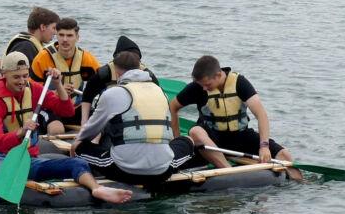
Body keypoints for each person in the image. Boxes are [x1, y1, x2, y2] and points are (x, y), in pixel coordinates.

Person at [0, 52, 132, 205]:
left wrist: (58, 84)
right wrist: (21, 131)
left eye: (25, 76)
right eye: (16, 77)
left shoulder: (33, 89)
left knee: (78, 163)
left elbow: (67, 111)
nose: (22, 81)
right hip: (1, 158)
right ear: (4, 74)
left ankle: (96, 189)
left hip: (29, 158)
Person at [72, 51, 226, 187]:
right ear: (141, 68)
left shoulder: (113, 93)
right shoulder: (161, 92)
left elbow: (90, 131)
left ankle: (84, 175)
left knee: (80, 146)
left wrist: (77, 143)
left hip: (124, 171)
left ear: (117, 73)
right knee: (188, 141)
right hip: (163, 171)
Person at [169, 55, 301, 180]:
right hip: (212, 141)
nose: (204, 88)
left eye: (207, 84)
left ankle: (298, 187)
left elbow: (261, 115)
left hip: (240, 136)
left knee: (285, 156)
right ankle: (229, 170)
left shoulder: (240, 83)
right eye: (201, 85)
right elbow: (173, 106)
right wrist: (177, 139)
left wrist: (264, 146)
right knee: (195, 131)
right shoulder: (198, 87)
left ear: (218, 75)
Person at [29, 18, 100, 130]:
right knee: (56, 129)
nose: (65, 39)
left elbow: (102, 85)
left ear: (77, 37)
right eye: (61, 35)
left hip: (75, 108)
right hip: (50, 108)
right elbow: (30, 91)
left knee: (101, 122)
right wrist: (55, 92)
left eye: (69, 35)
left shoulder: (86, 58)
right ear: (56, 35)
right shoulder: (42, 58)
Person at [80, 35, 159, 125]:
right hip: (109, 115)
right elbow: (87, 95)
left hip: (137, 116)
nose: (128, 64)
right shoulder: (105, 73)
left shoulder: (148, 76)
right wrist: (84, 122)